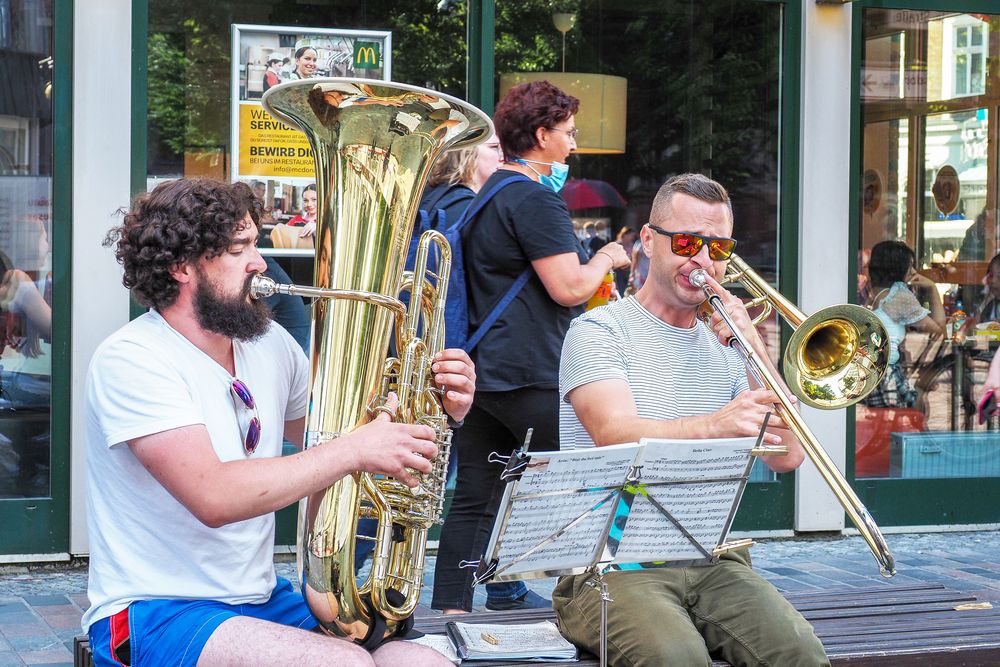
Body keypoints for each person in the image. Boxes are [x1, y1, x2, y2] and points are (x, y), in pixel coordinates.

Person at [83, 178, 473, 667]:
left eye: (256, 243)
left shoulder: (269, 343)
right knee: (342, 665)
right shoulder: (133, 358)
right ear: (182, 266)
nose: (260, 262)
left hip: (261, 598)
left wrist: (439, 411)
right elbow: (215, 495)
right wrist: (356, 449)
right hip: (154, 607)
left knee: (423, 663)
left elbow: (344, 439)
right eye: (239, 249)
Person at [553, 173, 827, 666]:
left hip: (710, 557)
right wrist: (716, 425)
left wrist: (754, 351)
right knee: (676, 657)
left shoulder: (727, 347)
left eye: (718, 248)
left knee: (799, 651)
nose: (703, 261)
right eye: (687, 243)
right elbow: (612, 434)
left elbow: (789, 455)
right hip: (609, 565)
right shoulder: (598, 331)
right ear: (650, 242)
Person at [431, 80, 630, 614]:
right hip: (533, 368)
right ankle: (599, 607)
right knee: (589, 481)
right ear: (541, 135)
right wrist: (608, 258)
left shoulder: (487, 194)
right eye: (567, 133)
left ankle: (453, 611)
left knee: (475, 495)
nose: (573, 144)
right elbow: (569, 287)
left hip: (482, 369)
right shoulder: (537, 199)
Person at [862, 240, 945, 409]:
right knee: (907, 413)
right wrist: (932, 288)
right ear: (898, 269)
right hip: (887, 374)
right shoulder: (897, 296)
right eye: (910, 266)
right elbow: (939, 329)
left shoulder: (873, 293)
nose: (914, 271)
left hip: (871, 371)